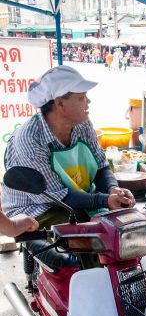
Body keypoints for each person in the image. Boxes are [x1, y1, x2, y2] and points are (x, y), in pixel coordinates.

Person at [1, 66, 135, 263]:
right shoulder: (30, 139)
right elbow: (58, 195)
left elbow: (100, 165)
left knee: (125, 229)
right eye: (81, 97)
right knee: (88, 242)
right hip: (39, 207)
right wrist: (103, 200)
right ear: (60, 103)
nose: (88, 101)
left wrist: (113, 189)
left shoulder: (82, 124)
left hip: (75, 195)